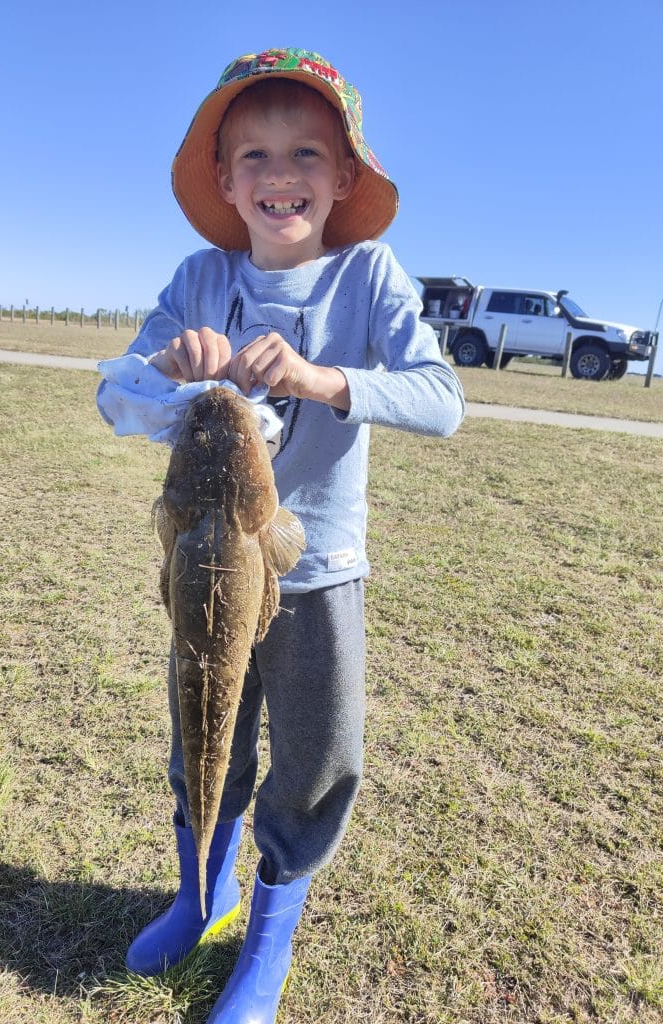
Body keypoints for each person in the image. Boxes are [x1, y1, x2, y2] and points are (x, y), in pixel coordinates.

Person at [97, 47, 465, 1024]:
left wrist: (323, 379)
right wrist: (170, 369)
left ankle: (267, 945)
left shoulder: (369, 273)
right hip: (205, 571)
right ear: (222, 178)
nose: (278, 174)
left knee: (313, 758)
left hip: (319, 576)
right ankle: (199, 897)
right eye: (252, 154)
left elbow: (443, 398)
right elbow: (112, 392)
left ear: (345, 176)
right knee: (201, 728)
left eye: (306, 151)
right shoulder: (199, 277)